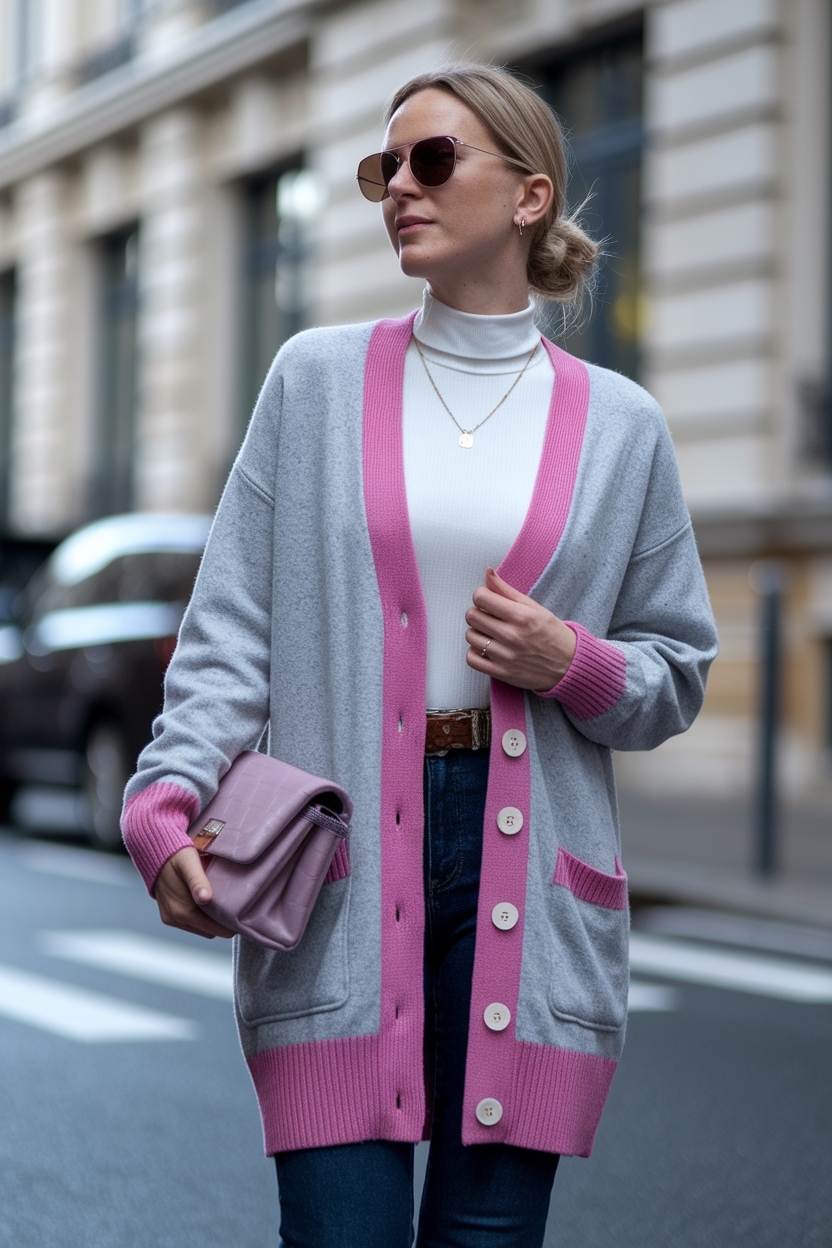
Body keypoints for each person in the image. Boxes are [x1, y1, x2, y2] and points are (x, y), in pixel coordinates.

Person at [122, 63, 718, 1248]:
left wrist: (572, 663)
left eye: (432, 160)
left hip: (533, 878)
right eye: (382, 168)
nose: (399, 186)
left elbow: (675, 670)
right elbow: (231, 627)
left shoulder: (620, 426)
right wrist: (164, 797)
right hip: (341, 862)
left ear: (530, 195)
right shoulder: (314, 381)